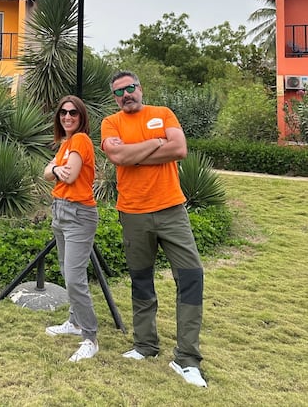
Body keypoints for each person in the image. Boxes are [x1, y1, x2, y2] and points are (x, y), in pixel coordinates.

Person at [101, 71, 207, 388]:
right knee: (141, 280)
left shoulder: (163, 113)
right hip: (132, 213)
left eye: (131, 88)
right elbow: (116, 156)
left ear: (140, 88)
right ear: (115, 97)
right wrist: (156, 142)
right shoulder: (111, 123)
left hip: (171, 209)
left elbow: (179, 149)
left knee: (190, 276)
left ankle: (187, 359)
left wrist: (135, 154)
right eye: (119, 92)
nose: (126, 95)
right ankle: (145, 346)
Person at [44, 95, 99, 363]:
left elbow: (72, 174)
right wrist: (56, 168)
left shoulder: (80, 140)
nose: (67, 117)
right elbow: (49, 172)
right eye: (63, 113)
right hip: (60, 210)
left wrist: (55, 169)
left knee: (74, 278)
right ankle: (74, 323)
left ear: (81, 117)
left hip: (78, 214)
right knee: (67, 272)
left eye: (73, 113)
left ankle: (90, 337)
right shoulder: (66, 143)